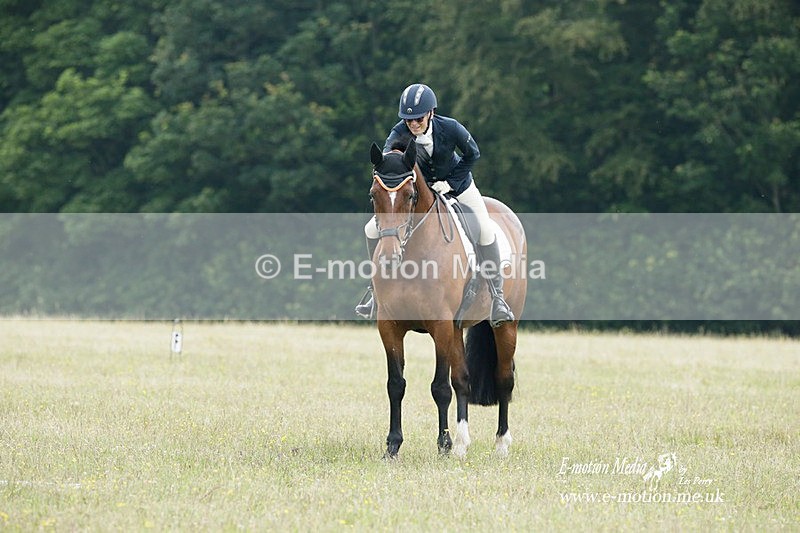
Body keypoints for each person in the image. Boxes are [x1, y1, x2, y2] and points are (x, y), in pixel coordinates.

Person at [356, 83, 514, 326]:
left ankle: (497, 297)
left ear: (430, 113)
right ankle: (374, 290)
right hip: (421, 193)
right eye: (408, 120)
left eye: (418, 118)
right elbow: (389, 161)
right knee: (370, 229)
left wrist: (450, 183)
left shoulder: (450, 128)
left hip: (458, 186)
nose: (413, 124)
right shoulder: (399, 132)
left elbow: (472, 154)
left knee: (484, 228)